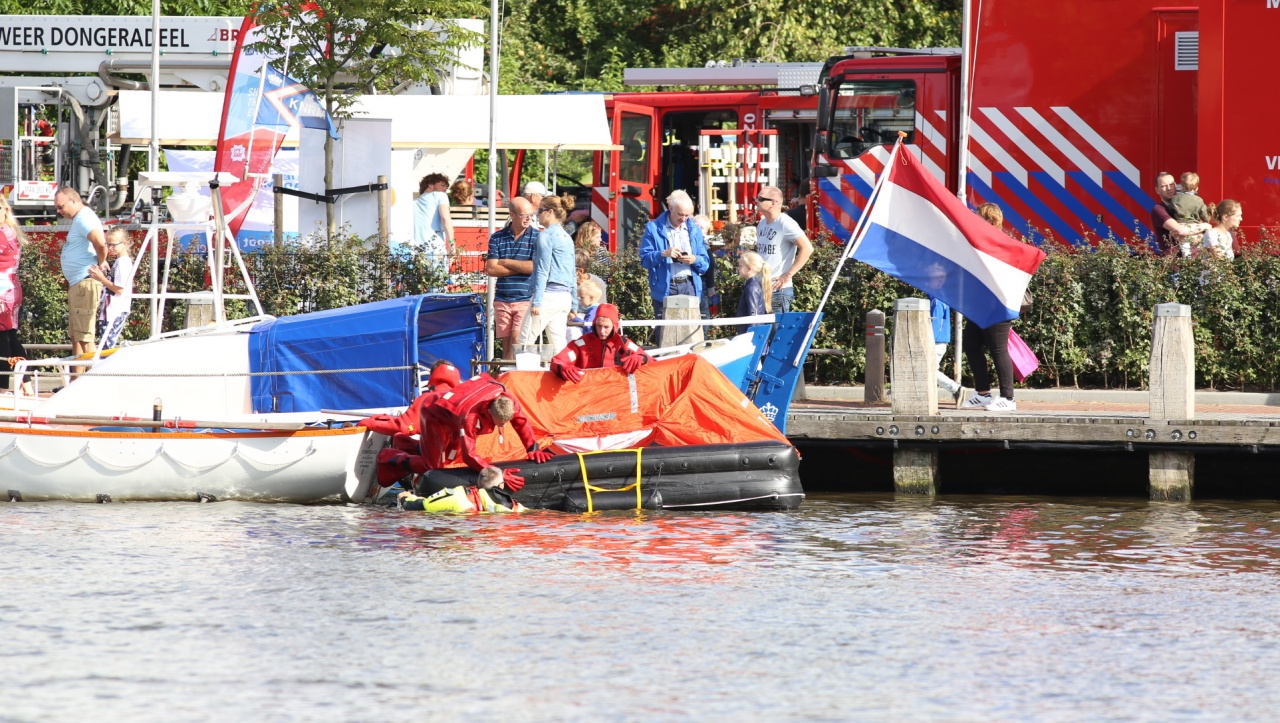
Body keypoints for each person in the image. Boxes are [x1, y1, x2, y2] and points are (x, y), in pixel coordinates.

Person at [418, 373, 554, 489]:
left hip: (453, 416)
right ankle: (407, 462)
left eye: (507, 421)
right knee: (434, 465)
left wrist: (532, 448)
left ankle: (418, 450)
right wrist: (496, 474)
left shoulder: (508, 401)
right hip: (435, 416)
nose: (504, 426)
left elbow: (521, 422)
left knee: (450, 457)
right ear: (489, 412)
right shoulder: (469, 418)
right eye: (500, 423)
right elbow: (469, 455)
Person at [961, 203, 1021, 412]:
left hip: (998, 305)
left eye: (978, 216)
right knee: (971, 344)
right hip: (981, 304)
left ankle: (1008, 398)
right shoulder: (982, 240)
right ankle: (983, 393)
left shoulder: (1000, 242)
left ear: (989, 219)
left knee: (998, 349)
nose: (975, 218)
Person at [55, 187, 108, 373]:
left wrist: (101, 263)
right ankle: (76, 380)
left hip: (85, 282)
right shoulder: (80, 218)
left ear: (74, 201)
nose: (59, 211)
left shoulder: (84, 218)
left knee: (85, 337)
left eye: (61, 207)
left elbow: (101, 243)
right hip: (79, 283)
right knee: (77, 337)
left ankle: (96, 380)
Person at [516, 195, 577, 355]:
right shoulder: (567, 237)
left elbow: (542, 270)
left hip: (547, 297)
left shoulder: (545, 236)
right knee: (559, 346)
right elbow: (573, 273)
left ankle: (525, 371)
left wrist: (537, 301)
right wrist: (574, 304)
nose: (537, 215)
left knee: (525, 342)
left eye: (540, 211)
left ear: (550, 212)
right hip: (564, 298)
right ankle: (565, 371)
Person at [639, 190, 710, 318]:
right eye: (680, 214)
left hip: (690, 285)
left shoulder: (695, 230)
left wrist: (694, 259)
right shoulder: (653, 228)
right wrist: (663, 254)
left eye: (687, 215)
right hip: (665, 287)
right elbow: (645, 260)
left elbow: (705, 264)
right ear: (670, 208)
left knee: (690, 328)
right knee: (664, 329)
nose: (683, 219)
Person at [485, 196, 538, 357]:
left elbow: (533, 267)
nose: (528, 218)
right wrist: (521, 267)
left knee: (517, 341)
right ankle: (507, 370)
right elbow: (491, 269)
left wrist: (506, 262)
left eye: (531, 215)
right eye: (524, 215)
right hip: (503, 298)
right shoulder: (497, 237)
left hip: (525, 298)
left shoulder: (537, 237)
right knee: (507, 344)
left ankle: (511, 371)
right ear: (512, 215)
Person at [550, 303, 653, 383]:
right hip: (589, 394)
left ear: (614, 326)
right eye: (599, 326)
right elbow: (558, 361)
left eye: (606, 327)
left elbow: (654, 363)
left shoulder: (624, 344)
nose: (602, 331)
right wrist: (562, 368)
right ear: (594, 324)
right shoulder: (581, 344)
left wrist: (641, 358)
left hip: (617, 394)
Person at [754, 185, 813, 314]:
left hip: (778, 291)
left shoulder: (785, 223)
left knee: (777, 327)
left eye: (761, 198)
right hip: (761, 288)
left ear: (773, 202)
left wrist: (788, 275)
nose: (756, 201)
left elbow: (807, 248)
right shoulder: (762, 223)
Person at [920, 262, 966, 406]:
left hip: (936, 340)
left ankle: (956, 389)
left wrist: (928, 339)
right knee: (929, 369)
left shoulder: (936, 299)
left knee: (928, 370)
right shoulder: (940, 296)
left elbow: (936, 322)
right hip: (939, 340)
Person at [0, 195, 31, 394]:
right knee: (10, 337)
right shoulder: (11, 230)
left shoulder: (2, 233)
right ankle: (26, 384)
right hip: (11, 286)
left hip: (3, 290)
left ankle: (2, 387)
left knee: (2, 338)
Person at [396, 466, 526, 514]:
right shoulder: (514, 507)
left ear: (478, 483)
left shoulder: (457, 496)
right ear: (501, 486)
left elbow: (420, 505)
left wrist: (404, 497)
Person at [87, 227, 135, 351]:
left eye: (113, 245)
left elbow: (120, 290)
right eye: (108, 245)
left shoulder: (123, 263)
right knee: (105, 345)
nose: (110, 248)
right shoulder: (120, 261)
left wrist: (101, 279)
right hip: (111, 309)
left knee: (106, 347)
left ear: (125, 243)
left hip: (114, 310)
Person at [1149, 172, 1210, 256]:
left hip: (1196, 258)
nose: (1169, 188)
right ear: (1157, 190)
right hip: (1174, 260)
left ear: (1176, 185)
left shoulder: (1188, 206)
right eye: (1164, 186)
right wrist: (1204, 226)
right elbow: (1180, 230)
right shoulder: (1159, 210)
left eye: (1171, 185)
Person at [413, 173, 454, 279]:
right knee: (438, 286)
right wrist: (451, 243)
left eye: (446, 187)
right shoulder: (440, 196)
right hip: (435, 250)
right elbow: (445, 218)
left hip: (416, 252)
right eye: (442, 185)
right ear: (430, 185)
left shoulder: (414, 203)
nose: (445, 189)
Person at [735, 251, 772, 334]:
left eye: (740, 266)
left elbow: (753, 314)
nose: (738, 268)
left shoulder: (751, 288)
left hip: (750, 333)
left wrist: (750, 334)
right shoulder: (753, 285)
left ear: (749, 268)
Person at [693, 214, 717, 319]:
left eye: (701, 228)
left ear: (706, 231)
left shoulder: (703, 243)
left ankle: (704, 329)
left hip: (701, 280)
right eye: (696, 226)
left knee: (702, 310)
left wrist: (710, 286)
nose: (698, 229)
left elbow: (711, 264)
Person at [566, 278, 603, 342]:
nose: (580, 299)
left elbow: (587, 325)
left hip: (589, 339)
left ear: (591, 298)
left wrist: (574, 318)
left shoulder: (593, 310)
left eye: (582, 297)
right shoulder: (597, 308)